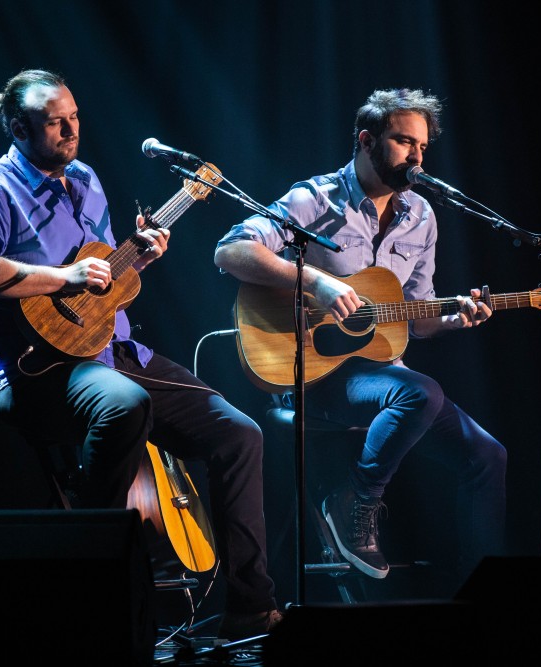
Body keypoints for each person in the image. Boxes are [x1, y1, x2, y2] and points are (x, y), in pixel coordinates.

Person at [0, 68, 281, 639]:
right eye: (54, 122)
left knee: (239, 433)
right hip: (35, 369)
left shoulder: (86, 179)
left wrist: (137, 260)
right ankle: (96, 585)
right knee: (123, 405)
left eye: (74, 116)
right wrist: (63, 276)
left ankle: (251, 605)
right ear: (18, 127)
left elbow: (100, 286)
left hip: (110, 350)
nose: (70, 130)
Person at [214, 88, 507, 584]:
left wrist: (454, 318)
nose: (416, 157)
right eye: (404, 142)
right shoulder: (314, 198)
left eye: (422, 147)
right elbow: (230, 251)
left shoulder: (421, 216)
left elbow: (416, 315)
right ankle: (355, 499)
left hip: (381, 376)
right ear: (367, 141)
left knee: (488, 457)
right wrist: (316, 282)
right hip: (312, 371)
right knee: (420, 393)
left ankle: (481, 591)